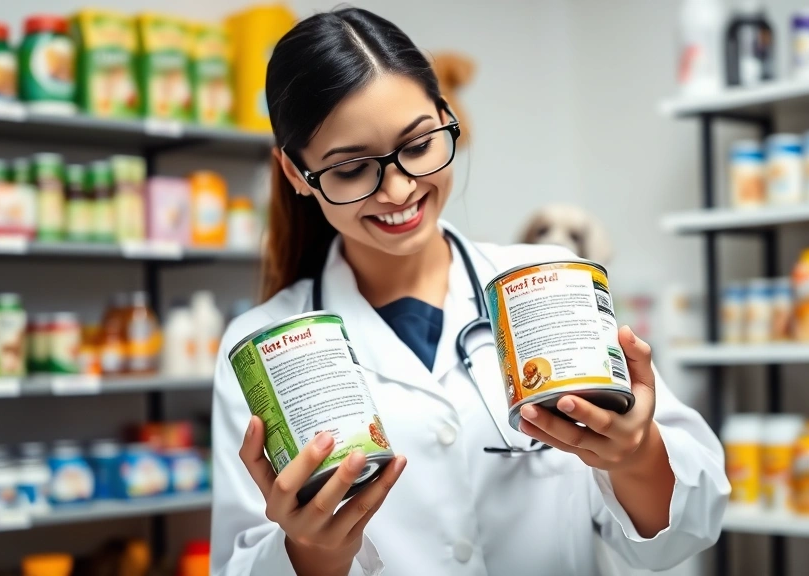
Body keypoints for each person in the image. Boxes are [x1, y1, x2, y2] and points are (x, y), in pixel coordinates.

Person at [210, 7, 729, 576]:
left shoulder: (550, 281)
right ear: (295, 173)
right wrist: (312, 552)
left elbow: (687, 526)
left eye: (418, 145)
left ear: (447, 117)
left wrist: (636, 455)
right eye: (352, 169)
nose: (399, 190)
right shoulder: (261, 346)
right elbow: (242, 562)